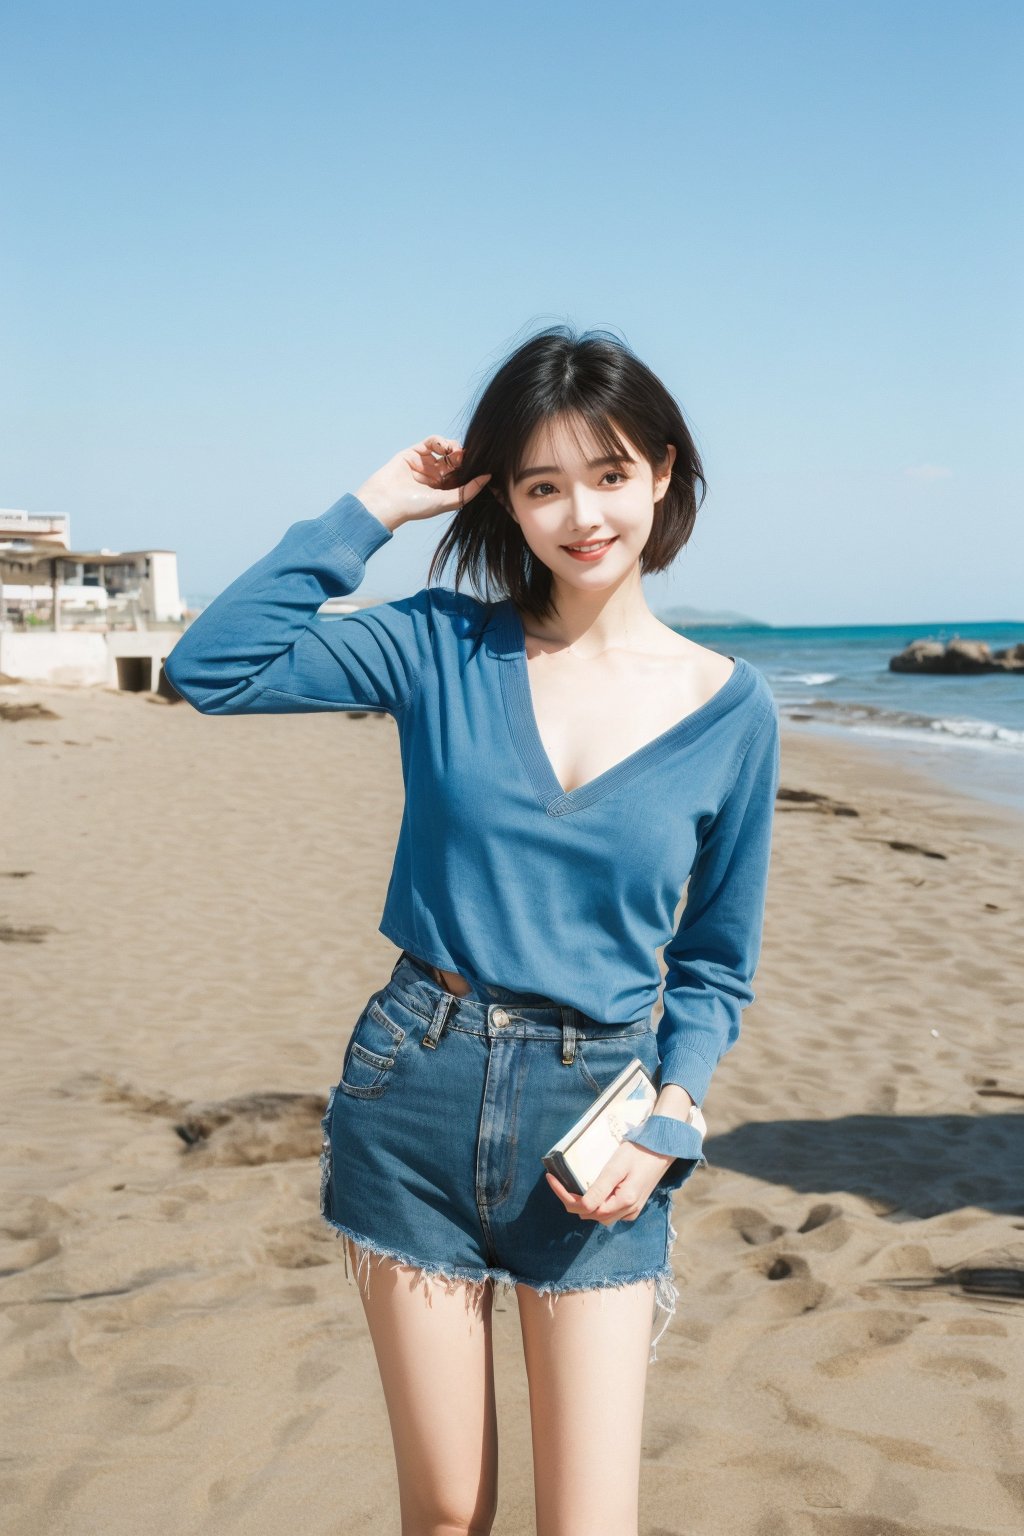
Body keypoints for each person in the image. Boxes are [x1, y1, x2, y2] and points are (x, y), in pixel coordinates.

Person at [164, 324, 781, 1536]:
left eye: (606, 475)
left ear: (661, 470)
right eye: (541, 485)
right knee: (446, 1513)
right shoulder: (440, 642)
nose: (580, 515)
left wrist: (676, 1107)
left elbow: (714, 961)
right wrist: (374, 508)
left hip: (600, 1111)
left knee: (587, 1523)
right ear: (504, 496)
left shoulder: (731, 710)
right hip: (414, 1089)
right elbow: (212, 667)